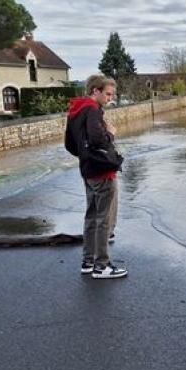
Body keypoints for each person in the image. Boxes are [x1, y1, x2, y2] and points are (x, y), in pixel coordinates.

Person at [65, 74, 127, 279]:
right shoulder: (92, 110)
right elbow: (98, 138)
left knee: (92, 216)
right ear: (95, 91)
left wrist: (86, 157)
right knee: (103, 219)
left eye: (112, 95)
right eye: (107, 94)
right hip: (102, 171)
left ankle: (88, 261)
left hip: (88, 170)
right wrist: (110, 133)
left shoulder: (75, 110)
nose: (110, 98)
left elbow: (69, 144)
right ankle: (102, 265)